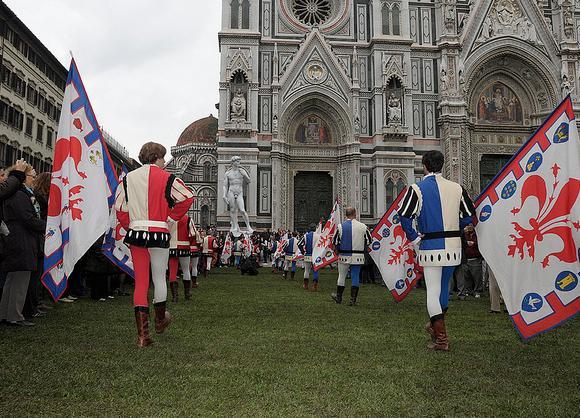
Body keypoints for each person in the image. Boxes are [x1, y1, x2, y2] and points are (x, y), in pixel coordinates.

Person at [115, 142, 194, 348]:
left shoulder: (127, 179)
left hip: (136, 232)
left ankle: (143, 337)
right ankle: (160, 321)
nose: (164, 161)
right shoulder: (168, 177)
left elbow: (120, 208)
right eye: (163, 157)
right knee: (159, 277)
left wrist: (131, 224)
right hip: (159, 232)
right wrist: (170, 218)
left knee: (141, 282)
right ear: (158, 157)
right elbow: (187, 197)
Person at [398, 150, 475, 351]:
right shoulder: (458, 188)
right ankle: (435, 328)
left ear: (424, 166)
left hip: (430, 247)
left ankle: (441, 339)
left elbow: (404, 215)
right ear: (442, 165)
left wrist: (414, 237)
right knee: (443, 288)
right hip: (453, 247)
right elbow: (468, 216)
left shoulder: (417, 188)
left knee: (432, 291)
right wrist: (453, 227)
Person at [0, 164, 46, 326]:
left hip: (19, 240)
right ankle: (15, 315)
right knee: (19, 282)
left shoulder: (19, 194)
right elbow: (27, 219)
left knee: (13, 280)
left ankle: (6, 313)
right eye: (33, 176)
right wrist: (47, 225)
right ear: (24, 178)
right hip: (21, 241)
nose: (34, 179)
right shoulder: (20, 195)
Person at [331, 207, 371, 306]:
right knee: (355, 276)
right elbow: (369, 241)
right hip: (358, 255)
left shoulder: (340, 226)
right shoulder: (363, 226)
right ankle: (353, 300)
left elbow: (335, 241)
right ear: (355, 214)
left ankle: (339, 297)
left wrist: (338, 249)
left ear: (346, 214)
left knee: (342, 276)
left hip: (344, 255)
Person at [223, 156, 252, 236]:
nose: (239, 162)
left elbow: (249, 181)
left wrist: (244, 175)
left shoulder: (242, 171)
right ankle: (235, 226)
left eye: (239, 161)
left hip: (239, 192)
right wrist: (224, 195)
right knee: (232, 210)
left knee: (242, 210)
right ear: (233, 162)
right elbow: (225, 185)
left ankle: (248, 226)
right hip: (231, 192)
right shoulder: (228, 173)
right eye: (237, 161)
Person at [168, 213, 193, 302]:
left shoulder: (168, 218)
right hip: (184, 247)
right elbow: (192, 234)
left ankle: (175, 297)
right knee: (186, 270)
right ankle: (187, 294)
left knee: (172, 272)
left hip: (172, 247)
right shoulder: (188, 219)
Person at [298, 225, 320, 291]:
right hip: (316, 256)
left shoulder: (305, 236)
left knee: (306, 270)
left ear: (309, 228)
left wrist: (303, 252)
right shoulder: (319, 236)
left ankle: (305, 285)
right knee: (315, 270)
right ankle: (314, 286)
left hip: (307, 255)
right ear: (316, 229)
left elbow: (299, 244)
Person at [189, 219, 201, 288]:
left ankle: (187, 281)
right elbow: (199, 242)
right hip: (195, 249)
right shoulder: (196, 233)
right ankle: (194, 282)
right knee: (194, 267)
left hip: (187, 249)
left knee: (187, 268)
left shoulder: (186, 231)